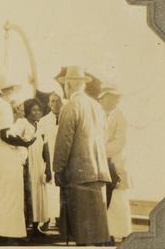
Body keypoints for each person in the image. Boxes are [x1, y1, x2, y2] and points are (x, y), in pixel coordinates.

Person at [53, 66, 111, 246]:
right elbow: (105, 136)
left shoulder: (71, 106)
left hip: (79, 175)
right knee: (99, 230)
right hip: (99, 173)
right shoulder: (97, 106)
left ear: (68, 85)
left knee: (83, 233)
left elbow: (64, 141)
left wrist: (58, 169)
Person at [0, 75, 35, 246]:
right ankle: (6, 236)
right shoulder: (4, 106)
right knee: (9, 198)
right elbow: (5, 134)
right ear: (9, 89)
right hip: (6, 156)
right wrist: (26, 142)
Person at [98, 83, 132, 242]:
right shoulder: (102, 115)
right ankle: (109, 233)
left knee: (119, 199)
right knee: (108, 201)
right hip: (105, 163)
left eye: (108, 97)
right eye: (104, 97)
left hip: (117, 163)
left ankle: (124, 234)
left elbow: (120, 143)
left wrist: (99, 150)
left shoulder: (121, 116)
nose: (103, 100)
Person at [11, 99, 50, 236]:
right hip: (25, 163)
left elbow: (46, 147)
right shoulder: (21, 123)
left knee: (38, 194)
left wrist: (48, 167)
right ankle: (22, 230)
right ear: (27, 111)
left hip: (38, 164)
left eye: (39, 110)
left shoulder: (41, 126)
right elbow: (12, 139)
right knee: (26, 195)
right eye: (34, 110)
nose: (37, 112)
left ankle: (35, 227)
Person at [38, 92, 63, 229]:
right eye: (53, 101)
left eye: (58, 101)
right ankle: (47, 219)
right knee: (49, 189)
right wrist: (46, 164)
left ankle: (60, 219)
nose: (56, 104)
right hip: (50, 158)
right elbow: (42, 144)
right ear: (48, 104)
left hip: (63, 159)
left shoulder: (67, 117)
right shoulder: (44, 121)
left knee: (61, 190)